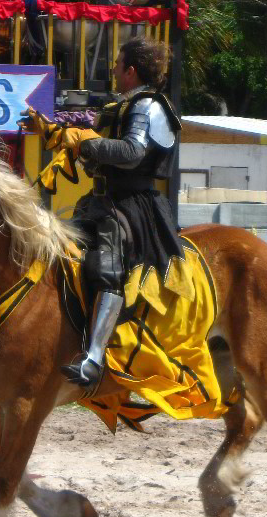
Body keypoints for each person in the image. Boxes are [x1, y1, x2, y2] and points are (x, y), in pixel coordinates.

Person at [42, 37, 184, 389]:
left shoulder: (147, 106)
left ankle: (93, 358)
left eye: (118, 66)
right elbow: (93, 142)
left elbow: (133, 152)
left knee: (105, 268)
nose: (115, 72)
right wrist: (56, 132)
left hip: (133, 205)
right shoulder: (124, 104)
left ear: (131, 71)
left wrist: (85, 142)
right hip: (102, 201)